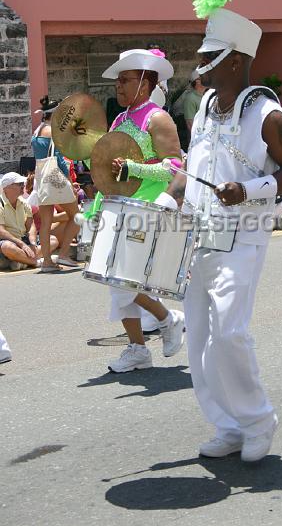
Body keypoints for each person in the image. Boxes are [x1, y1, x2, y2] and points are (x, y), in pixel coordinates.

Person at [163, 5, 282, 462]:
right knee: (202, 339)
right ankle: (226, 424)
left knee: (229, 334)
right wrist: (166, 197)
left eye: (210, 55)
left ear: (233, 59)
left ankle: (258, 419)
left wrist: (248, 189)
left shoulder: (268, 115)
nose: (200, 62)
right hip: (200, 236)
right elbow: (193, 169)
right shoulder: (205, 107)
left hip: (243, 237)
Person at [99, 48, 185, 373]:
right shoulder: (120, 119)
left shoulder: (157, 118)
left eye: (125, 80)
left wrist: (134, 167)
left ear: (144, 83)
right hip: (120, 207)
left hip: (147, 208)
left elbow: (175, 167)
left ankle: (167, 319)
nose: (118, 87)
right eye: (118, 81)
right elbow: (111, 167)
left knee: (123, 279)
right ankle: (138, 348)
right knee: (115, 281)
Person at [31, 96, 80, 272]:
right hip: (55, 176)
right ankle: (64, 254)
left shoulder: (37, 131)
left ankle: (47, 263)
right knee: (77, 216)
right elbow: (59, 160)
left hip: (42, 176)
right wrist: (68, 181)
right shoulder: (53, 131)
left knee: (45, 222)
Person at [0, 172, 41, 270]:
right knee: (7, 247)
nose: (23, 185)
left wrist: (32, 242)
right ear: (7, 187)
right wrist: (21, 244)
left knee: (53, 240)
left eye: (23, 183)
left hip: (23, 240)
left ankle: (22, 261)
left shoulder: (24, 203)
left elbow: (31, 226)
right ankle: (35, 262)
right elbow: (1, 231)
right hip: (9, 241)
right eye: (19, 184)